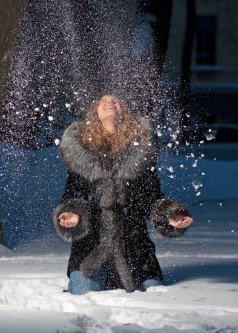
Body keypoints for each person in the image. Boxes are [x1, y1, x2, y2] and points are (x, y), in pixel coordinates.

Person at [53, 94, 193, 294]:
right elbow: (73, 194)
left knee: (154, 300)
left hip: (136, 252)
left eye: (116, 100)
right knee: (85, 298)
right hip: (89, 252)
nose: (110, 102)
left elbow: (152, 199)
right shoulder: (81, 151)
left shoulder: (140, 151)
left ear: (124, 112)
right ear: (94, 112)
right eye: (103, 101)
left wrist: (169, 215)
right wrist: (73, 213)